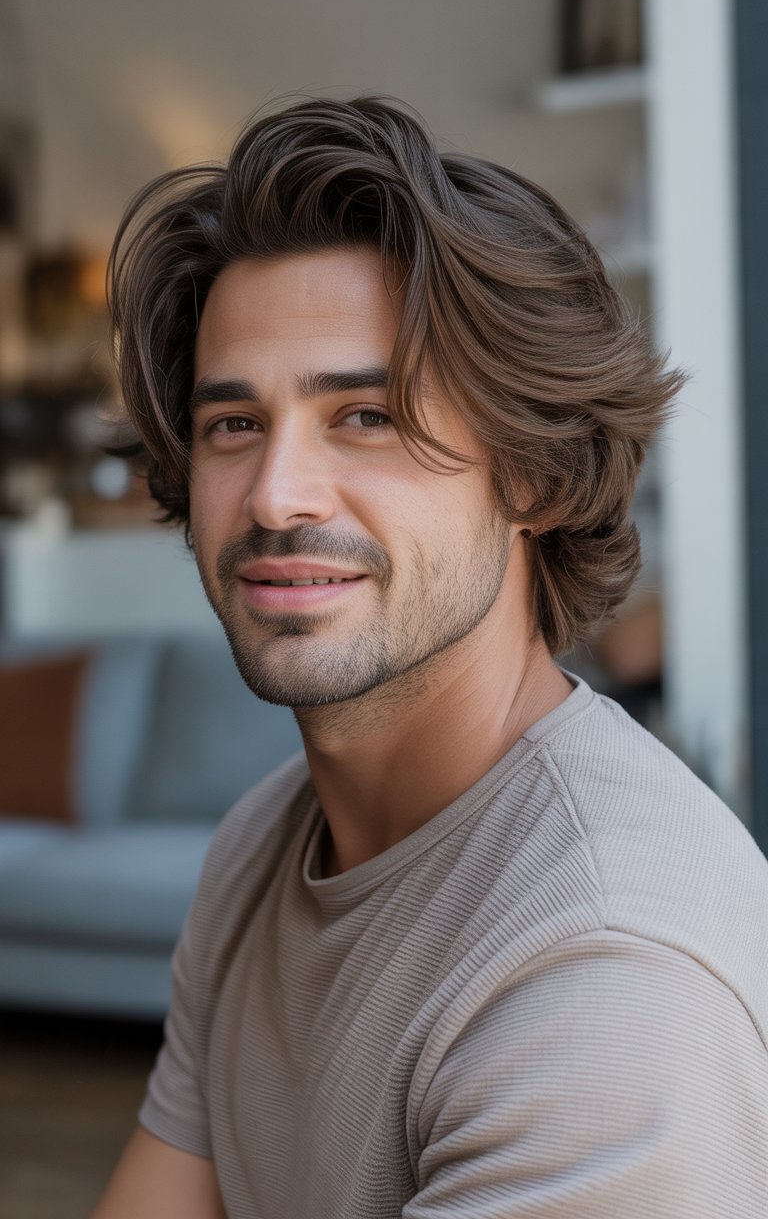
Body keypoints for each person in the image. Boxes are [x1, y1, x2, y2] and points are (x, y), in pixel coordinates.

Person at [93, 96, 768, 1219]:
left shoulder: (603, 971)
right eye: (233, 425)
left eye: (367, 415)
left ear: (536, 479)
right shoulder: (263, 844)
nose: (274, 494)